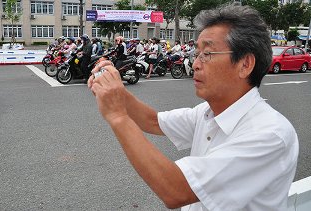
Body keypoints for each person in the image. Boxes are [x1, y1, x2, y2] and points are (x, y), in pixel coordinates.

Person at [88, 4, 298, 211]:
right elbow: (152, 120)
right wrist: (115, 89)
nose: (196, 64)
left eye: (207, 54)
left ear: (245, 64)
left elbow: (175, 190)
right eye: (197, 54)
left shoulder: (269, 135)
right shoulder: (208, 112)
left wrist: (118, 116)